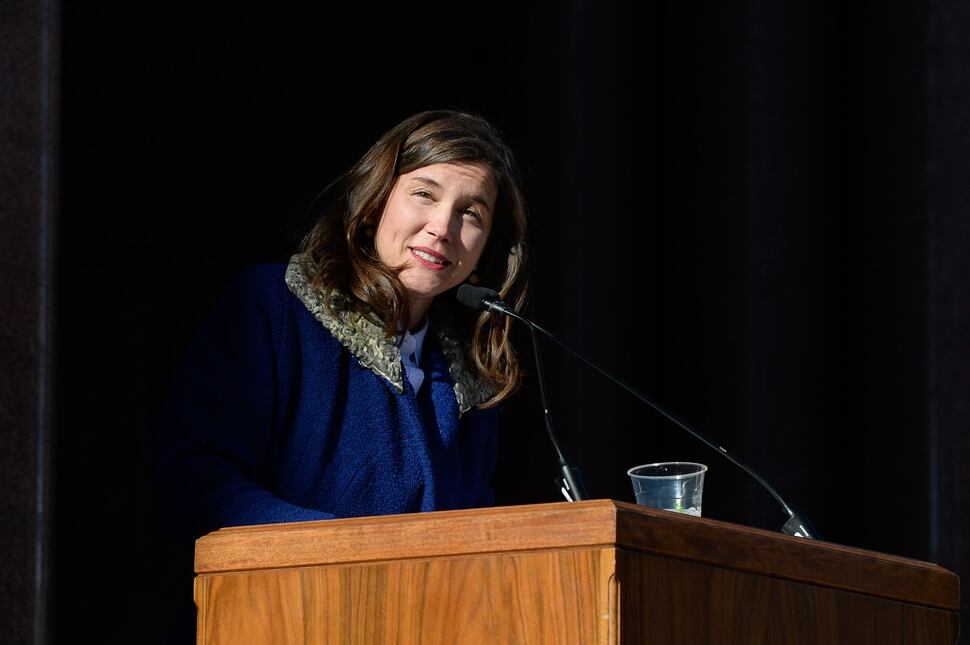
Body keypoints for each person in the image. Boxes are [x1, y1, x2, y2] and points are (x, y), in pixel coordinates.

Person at [152, 110, 530, 547]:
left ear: (485, 249)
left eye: (470, 214)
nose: (442, 228)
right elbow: (193, 478)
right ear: (374, 205)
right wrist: (341, 548)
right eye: (425, 194)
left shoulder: (475, 378)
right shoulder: (272, 307)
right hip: (287, 607)